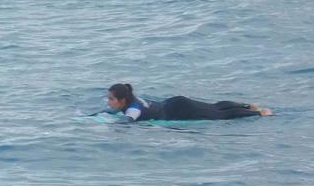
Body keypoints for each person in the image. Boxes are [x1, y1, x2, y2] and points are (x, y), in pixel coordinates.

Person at [104, 82, 271, 122]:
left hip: (180, 111)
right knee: (216, 107)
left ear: (122, 100)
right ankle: (248, 106)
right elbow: (111, 112)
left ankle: (259, 113)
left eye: (111, 99)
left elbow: (127, 121)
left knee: (220, 115)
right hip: (175, 102)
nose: (108, 101)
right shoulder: (133, 100)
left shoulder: (132, 109)